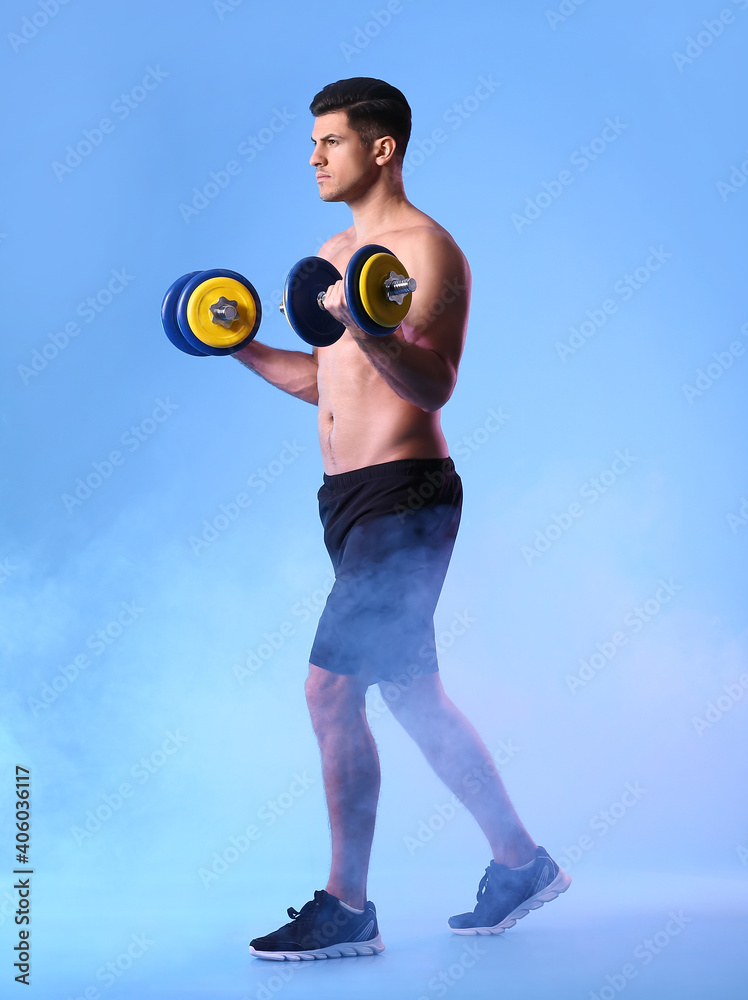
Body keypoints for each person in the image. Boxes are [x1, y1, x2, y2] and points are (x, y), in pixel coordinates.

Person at [235, 77, 570, 961]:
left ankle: (349, 907)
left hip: (408, 496)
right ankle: (521, 861)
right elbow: (327, 384)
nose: (313, 158)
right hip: (346, 502)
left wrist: (368, 326)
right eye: (311, 143)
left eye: (330, 142)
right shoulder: (333, 252)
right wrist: (239, 344)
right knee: (411, 694)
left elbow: (429, 383)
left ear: (380, 148)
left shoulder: (428, 250)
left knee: (329, 688)